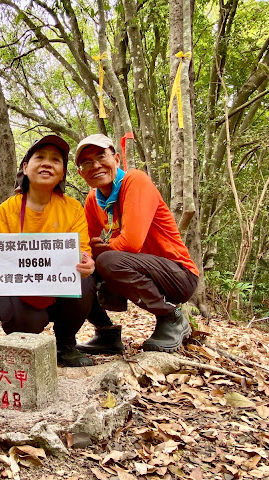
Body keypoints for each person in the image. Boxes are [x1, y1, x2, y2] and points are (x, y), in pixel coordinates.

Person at [74, 133, 199, 354]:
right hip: (137, 268)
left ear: (117, 160)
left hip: (178, 275)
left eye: (101, 156)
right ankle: (106, 332)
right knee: (77, 266)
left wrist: (105, 248)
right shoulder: (93, 200)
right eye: (86, 162)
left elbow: (131, 243)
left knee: (107, 259)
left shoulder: (135, 180)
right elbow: (86, 247)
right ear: (81, 173)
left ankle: (171, 317)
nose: (95, 165)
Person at [0, 135, 96, 367]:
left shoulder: (72, 208)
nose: (46, 163)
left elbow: (83, 253)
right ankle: (27, 343)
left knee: (85, 282)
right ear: (25, 167)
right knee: (22, 318)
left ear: (62, 173)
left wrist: (87, 265)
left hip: (58, 294)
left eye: (55, 160)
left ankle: (65, 344)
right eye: (39, 157)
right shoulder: (8, 209)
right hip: (23, 294)